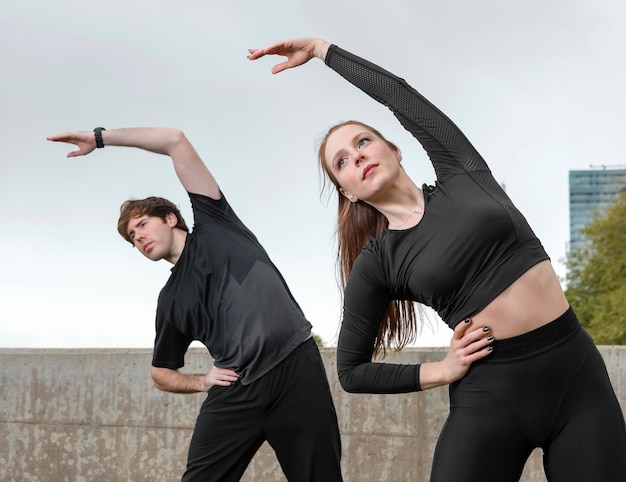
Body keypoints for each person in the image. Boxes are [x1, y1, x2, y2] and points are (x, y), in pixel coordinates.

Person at [248, 38, 626, 481]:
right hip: (492, 395)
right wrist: (441, 370)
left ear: (394, 148)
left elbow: (398, 94)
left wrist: (321, 49)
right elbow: (351, 371)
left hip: (576, 376)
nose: (359, 156)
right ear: (347, 191)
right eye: (343, 161)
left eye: (364, 141)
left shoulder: (462, 172)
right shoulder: (378, 261)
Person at [47, 127, 343, 482]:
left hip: (296, 371)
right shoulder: (170, 300)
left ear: (170, 218)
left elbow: (174, 140)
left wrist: (100, 138)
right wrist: (202, 381)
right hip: (236, 391)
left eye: (142, 225)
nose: (138, 237)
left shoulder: (217, 225)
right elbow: (161, 372)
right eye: (132, 237)